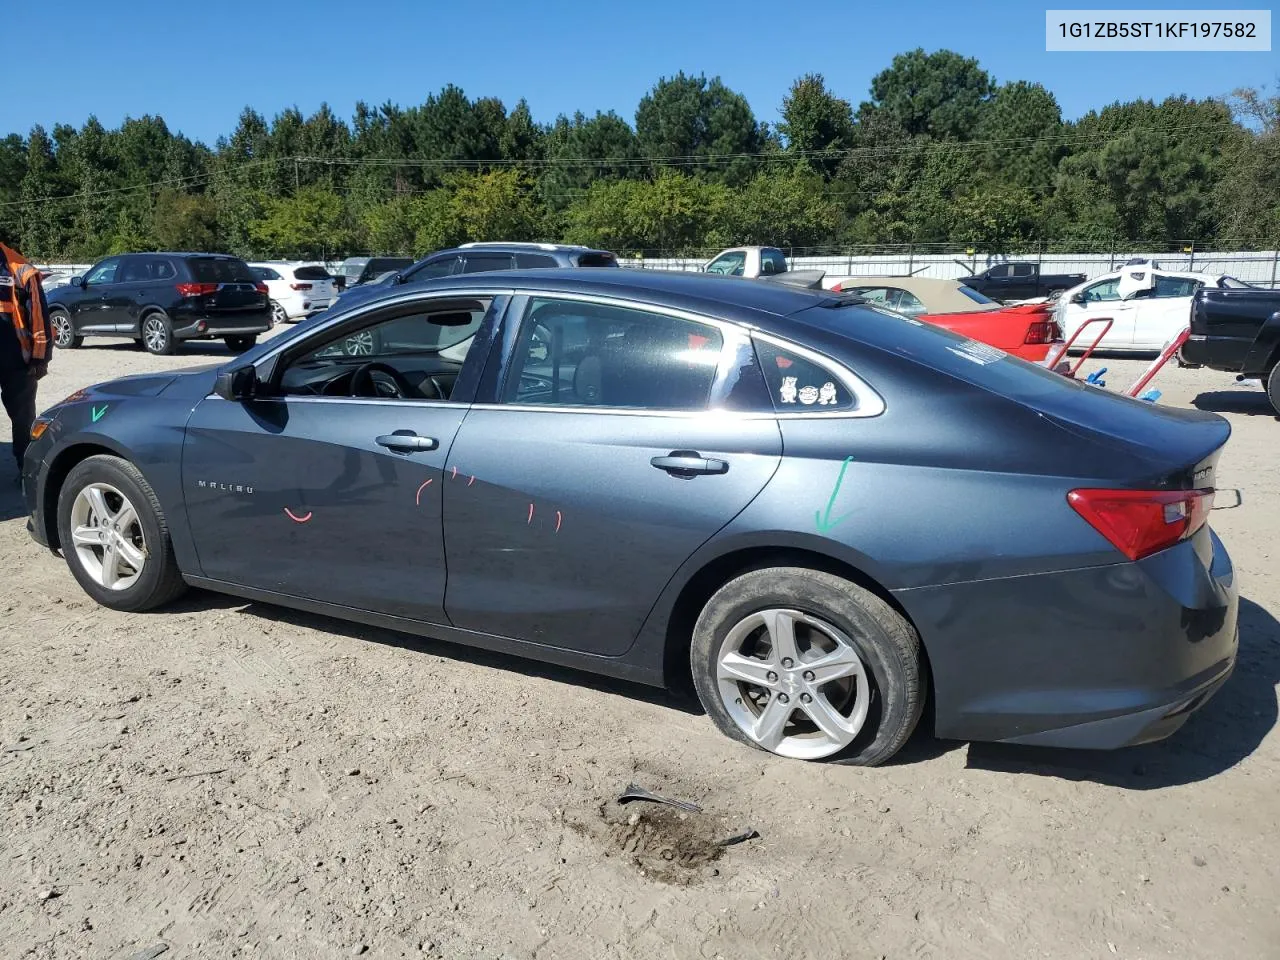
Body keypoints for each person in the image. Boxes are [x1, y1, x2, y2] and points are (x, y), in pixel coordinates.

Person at [0, 241, 52, 477]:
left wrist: (40, 358)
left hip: (17, 362)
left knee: (23, 419)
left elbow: (39, 315)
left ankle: (26, 470)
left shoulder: (20, 269)